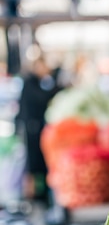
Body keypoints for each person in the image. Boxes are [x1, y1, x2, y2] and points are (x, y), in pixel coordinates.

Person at [16, 55, 62, 203]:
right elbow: (42, 98)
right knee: (32, 165)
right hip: (31, 130)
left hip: (35, 129)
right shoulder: (29, 83)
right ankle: (33, 196)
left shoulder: (36, 82)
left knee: (37, 164)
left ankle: (38, 195)